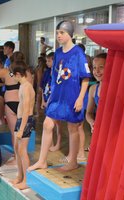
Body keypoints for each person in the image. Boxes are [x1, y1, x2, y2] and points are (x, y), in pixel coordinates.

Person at [28, 20, 91, 172]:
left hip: (72, 96)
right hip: (57, 96)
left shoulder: (78, 53)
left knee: (72, 128)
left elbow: (85, 78)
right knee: (47, 124)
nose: (58, 36)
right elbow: (55, 77)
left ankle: (73, 161)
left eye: (61, 33)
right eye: (57, 33)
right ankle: (42, 161)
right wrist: (50, 97)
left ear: (69, 34)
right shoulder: (57, 53)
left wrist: (81, 98)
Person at [8, 61, 35, 190]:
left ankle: (26, 180)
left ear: (18, 74)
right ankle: (20, 176)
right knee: (16, 149)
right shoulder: (22, 86)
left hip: (26, 120)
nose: (11, 76)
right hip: (20, 121)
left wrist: (22, 128)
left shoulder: (27, 87)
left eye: (12, 74)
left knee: (22, 151)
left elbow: (26, 110)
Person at [40, 52, 62, 152]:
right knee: (49, 124)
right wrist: (42, 100)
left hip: (55, 101)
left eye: (49, 61)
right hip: (47, 99)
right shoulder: (46, 72)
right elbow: (42, 87)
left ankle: (58, 143)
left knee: (57, 123)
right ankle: (51, 142)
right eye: (46, 61)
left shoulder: (59, 73)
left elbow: (56, 89)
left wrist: (48, 101)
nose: (47, 63)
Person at [86, 53, 107, 134]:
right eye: (94, 68)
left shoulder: (117, 88)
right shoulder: (93, 89)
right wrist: (92, 122)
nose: (97, 71)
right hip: (99, 128)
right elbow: (88, 113)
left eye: (101, 67)